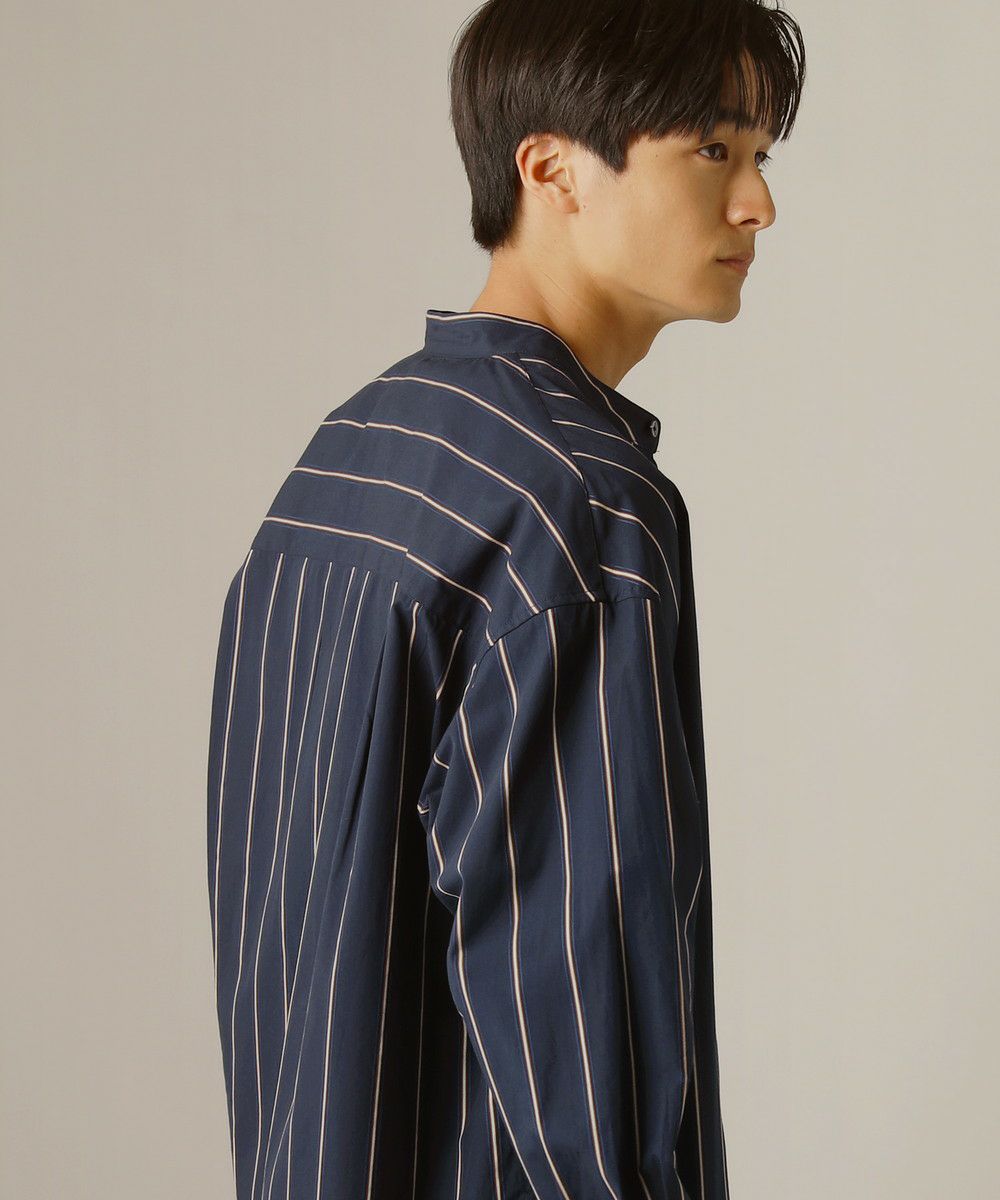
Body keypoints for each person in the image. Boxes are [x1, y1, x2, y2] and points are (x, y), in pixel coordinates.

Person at [206, 1, 806, 1197]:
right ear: (552, 168)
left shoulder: (350, 460)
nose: (756, 205)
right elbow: (583, 1020)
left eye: (760, 156)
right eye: (711, 149)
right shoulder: (577, 503)